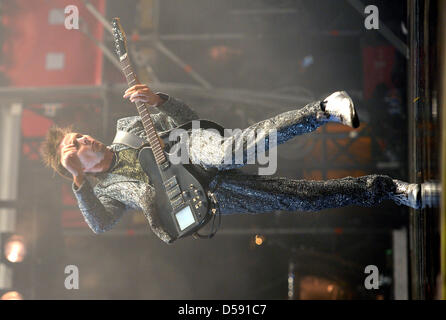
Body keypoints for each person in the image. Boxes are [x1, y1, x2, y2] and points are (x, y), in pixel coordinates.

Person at [40, 84, 439, 244]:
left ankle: (323, 109)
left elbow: (187, 115)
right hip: (203, 195)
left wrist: (160, 100)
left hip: (192, 147)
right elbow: (100, 223)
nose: (79, 141)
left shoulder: (126, 126)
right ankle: (393, 191)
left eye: (76, 136)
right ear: (75, 169)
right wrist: (78, 181)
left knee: (233, 150)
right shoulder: (100, 191)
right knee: (299, 200)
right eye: (71, 150)